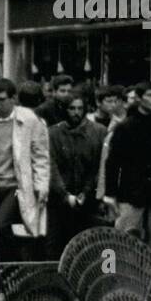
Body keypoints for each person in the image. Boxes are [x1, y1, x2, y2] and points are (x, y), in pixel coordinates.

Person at [0, 78, 50, 269]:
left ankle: (7, 275)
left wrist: (41, 186)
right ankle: (3, 275)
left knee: (0, 228)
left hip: (17, 187)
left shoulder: (30, 120)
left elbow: (40, 155)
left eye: (1, 99)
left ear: (13, 98)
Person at [104, 82, 151, 248]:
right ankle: (112, 271)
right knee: (123, 240)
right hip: (130, 191)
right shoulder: (125, 127)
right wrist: (110, 194)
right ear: (139, 98)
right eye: (150, 95)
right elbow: (112, 162)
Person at [46, 93, 106, 258]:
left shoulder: (98, 131)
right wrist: (64, 194)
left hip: (89, 197)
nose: (76, 112)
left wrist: (86, 191)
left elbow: (99, 166)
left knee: (89, 244)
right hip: (59, 197)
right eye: (72, 108)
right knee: (56, 243)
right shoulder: (53, 133)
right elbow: (51, 166)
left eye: (80, 108)